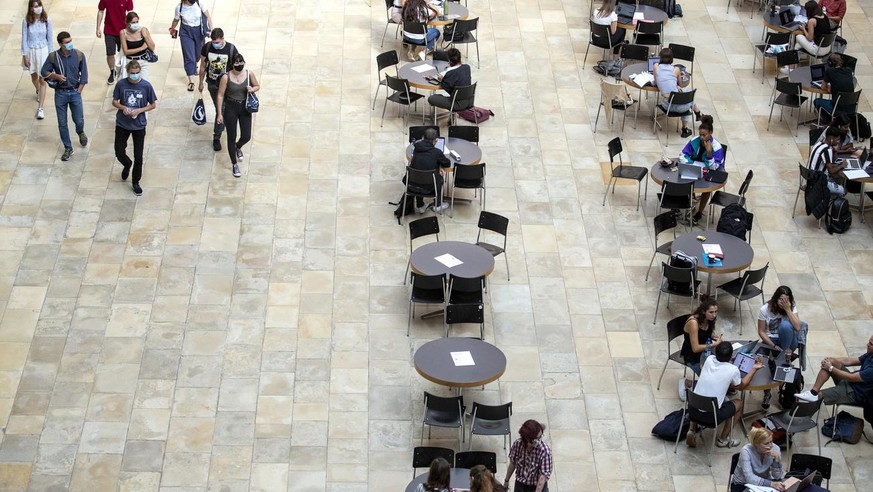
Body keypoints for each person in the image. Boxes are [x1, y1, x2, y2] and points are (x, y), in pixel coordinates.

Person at [686, 341, 763, 449]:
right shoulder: (733, 370)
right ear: (731, 356)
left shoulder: (709, 359)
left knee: (701, 396)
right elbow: (741, 386)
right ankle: (723, 439)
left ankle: (692, 430)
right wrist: (754, 368)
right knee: (738, 403)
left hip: (692, 411)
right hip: (710, 418)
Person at [111, 60, 157, 196]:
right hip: (122, 124)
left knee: (139, 156)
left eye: (137, 73)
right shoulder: (121, 84)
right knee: (119, 151)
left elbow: (153, 104)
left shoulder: (146, 86)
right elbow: (114, 101)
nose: (134, 76)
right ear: (128, 72)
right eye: (132, 73)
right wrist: (123, 108)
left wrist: (140, 110)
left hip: (139, 125)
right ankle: (126, 163)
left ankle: (136, 181)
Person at [41, 31, 89, 162]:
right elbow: (43, 71)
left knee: (78, 119)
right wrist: (55, 76)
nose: (70, 44)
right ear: (61, 44)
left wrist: (79, 91)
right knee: (62, 123)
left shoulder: (79, 55)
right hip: (60, 93)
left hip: (74, 92)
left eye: (70, 41)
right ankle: (68, 147)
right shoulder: (53, 57)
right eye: (67, 42)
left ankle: (80, 132)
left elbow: (84, 75)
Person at [795, 335, 873, 406]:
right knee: (831, 362)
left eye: (871, 344)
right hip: (851, 384)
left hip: (855, 394)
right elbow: (848, 361)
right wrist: (830, 361)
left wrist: (830, 368)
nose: (867, 345)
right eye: (869, 342)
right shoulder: (870, 355)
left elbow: (851, 377)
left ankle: (801, 416)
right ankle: (813, 392)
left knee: (820, 395)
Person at [216, 52, 259, 178]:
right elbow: (220, 95)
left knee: (246, 135)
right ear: (232, 64)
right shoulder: (226, 77)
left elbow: (257, 86)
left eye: (241, 63)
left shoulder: (248, 73)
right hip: (231, 107)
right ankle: (234, 163)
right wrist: (219, 113)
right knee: (231, 135)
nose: (239, 65)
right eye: (237, 63)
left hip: (244, 107)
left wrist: (252, 89)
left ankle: (237, 147)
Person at [198, 28, 238, 152]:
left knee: (225, 109)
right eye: (213, 41)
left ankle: (221, 126)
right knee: (221, 109)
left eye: (217, 42)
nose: (215, 44)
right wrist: (200, 82)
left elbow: (237, 67)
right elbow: (203, 65)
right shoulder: (207, 47)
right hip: (213, 84)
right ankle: (217, 136)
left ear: (222, 38)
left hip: (226, 84)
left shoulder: (231, 49)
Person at [681, 115, 726, 224]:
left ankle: (699, 213)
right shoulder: (694, 141)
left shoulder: (717, 147)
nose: (701, 137)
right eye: (700, 134)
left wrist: (709, 154)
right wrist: (690, 164)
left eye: (704, 135)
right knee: (684, 181)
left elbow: (715, 167)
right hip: (695, 168)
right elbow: (682, 155)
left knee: (706, 189)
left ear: (710, 133)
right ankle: (684, 205)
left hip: (710, 173)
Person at [679, 299, 722, 401]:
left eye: (716, 312)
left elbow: (708, 332)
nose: (714, 315)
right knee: (709, 379)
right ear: (703, 311)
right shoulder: (694, 323)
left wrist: (714, 337)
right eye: (711, 312)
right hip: (692, 355)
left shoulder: (709, 320)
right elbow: (695, 348)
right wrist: (713, 345)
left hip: (705, 352)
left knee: (720, 368)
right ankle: (687, 383)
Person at [653, 47, 701, 138]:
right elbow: (681, 83)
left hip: (667, 106)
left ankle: (698, 113)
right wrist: (677, 86)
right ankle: (687, 126)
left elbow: (655, 80)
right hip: (682, 108)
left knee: (685, 95)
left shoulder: (656, 67)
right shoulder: (676, 69)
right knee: (688, 94)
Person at [169, 0, 212, 91]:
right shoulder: (179, 7)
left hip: (198, 31)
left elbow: (208, 17)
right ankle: (191, 80)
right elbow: (176, 19)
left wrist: (211, 29)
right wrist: (172, 28)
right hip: (185, 32)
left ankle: (194, 65)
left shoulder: (200, 4)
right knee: (189, 56)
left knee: (198, 54)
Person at [21, 0, 53, 120]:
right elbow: (24, 38)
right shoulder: (26, 21)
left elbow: (50, 39)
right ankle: (39, 91)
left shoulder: (47, 20)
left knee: (42, 78)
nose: (38, 8)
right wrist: (25, 55)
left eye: (39, 5)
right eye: (35, 6)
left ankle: (40, 108)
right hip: (31, 50)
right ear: (31, 8)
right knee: (34, 76)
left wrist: (51, 56)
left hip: (43, 51)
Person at [409, 127, 451, 214]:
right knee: (439, 178)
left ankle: (420, 205)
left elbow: (424, 162)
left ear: (423, 138)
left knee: (419, 173)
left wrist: (437, 167)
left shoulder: (416, 148)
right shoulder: (437, 152)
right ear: (435, 141)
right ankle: (438, 205)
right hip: (428, 188)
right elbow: (447, 164)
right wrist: (439, 166)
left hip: (411, 184)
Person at [730, 427, 785, 492]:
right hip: (742, 483)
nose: (770, 446)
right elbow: (749, 478)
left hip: (763, 483)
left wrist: (777, 460)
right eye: (766, 443)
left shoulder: (775, 448)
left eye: (771, 441)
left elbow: (777, 477)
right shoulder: (746, 451)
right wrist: (771, 484)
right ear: (756, 444)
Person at [503, 419, 553, 492]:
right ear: (527, 438)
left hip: (537, 486)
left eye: (541, 437)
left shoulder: (545, 451)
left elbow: (543, 477)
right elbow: (512, 463)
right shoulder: (517, 445)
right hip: (520, 484)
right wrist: (506, 481)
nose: (539, 440)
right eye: (537, 438)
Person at [96, 0, 133, 85]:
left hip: (123, 31)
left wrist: (131, 30)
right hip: (109, 30)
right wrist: (98, 28)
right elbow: (101, 11)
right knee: (110, 53)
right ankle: (112, 71)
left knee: (124, 52)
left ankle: (125, 71)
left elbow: (130, 13)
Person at [427, 48, 472, 118]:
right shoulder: (467, 67)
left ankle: (451, 114)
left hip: (456, 103)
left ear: (450, 61)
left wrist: (441, 78)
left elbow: (446, 85)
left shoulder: (450, 74)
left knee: (432, 98)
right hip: (469, 101)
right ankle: (452, 117)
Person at [814, 54, 856, 123]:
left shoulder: (829, 71)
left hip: (837, 108)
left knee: (817, 101)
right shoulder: (848, 70)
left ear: (830, 63)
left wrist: (830, 86)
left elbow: (823, 87)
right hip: (851, 107)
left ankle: (828, 122)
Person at [808, 125, 846, 196]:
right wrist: (842, 166)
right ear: (831, 139)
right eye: (837, 139)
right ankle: (829, 203)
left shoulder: (818, 144)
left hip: (810, 177)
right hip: (818, 182)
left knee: (837, 179)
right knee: (843, 191)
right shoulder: (827, 150)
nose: (838, 142)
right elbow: (831, 171)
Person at [119, 11, 155, 80]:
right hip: (129, 61)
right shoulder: (123, 33)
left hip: (142, 61)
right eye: (133, 22)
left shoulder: (143, 30)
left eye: (137, 22)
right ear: (128, 23)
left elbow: (152, 47)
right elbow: (126, 51)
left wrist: (145, 37)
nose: (135, 24)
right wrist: (141, 48)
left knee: (145, 82)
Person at [591, 0, 626, 67]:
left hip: (595, 39)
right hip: (606, 43)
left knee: (619, 31)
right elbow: (613, 32)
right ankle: (615, 58)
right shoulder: (613, 15)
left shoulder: (596, 11)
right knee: (622, 30)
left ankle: (616, 58)